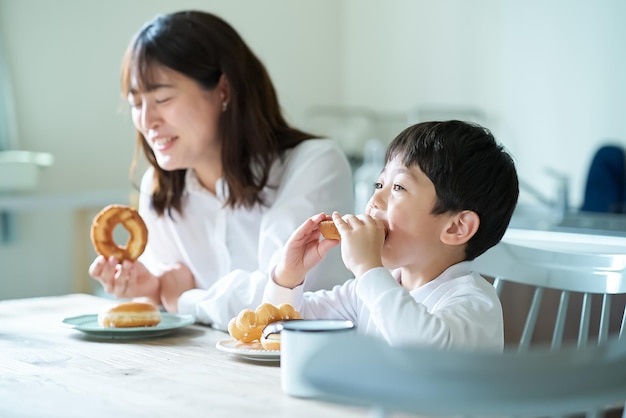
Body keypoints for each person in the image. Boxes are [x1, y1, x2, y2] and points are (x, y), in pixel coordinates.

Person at [88, 10, 354, 330]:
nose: (146, 121)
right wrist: (150, 292)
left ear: (223, 91)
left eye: (162, 98)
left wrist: (185, 298)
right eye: (136, 104)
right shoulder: (158, 189)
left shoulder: (315, 164)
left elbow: (288, 301)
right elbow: (167, 308)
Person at [264, 120, 519, 351]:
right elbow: (281, 329)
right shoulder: (368, 290)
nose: (374, 200)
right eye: (379, 184)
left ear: (456, 228)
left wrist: (368, 269)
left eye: (398, 187)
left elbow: (424, 350)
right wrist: (289, 276)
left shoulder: (474, 304)